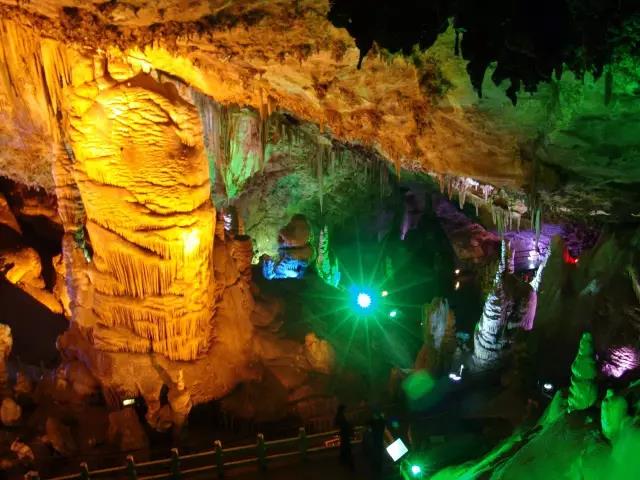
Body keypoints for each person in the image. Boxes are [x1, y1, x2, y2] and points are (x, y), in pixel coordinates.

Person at [334, 404, 353, 469]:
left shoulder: (339, 416)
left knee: (344, 447)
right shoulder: (342, 416)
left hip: (343, 433)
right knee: (346, 447)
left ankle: (343, 460)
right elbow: (346, 424)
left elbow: (336, 423)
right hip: (345, 433)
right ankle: (347, 461)